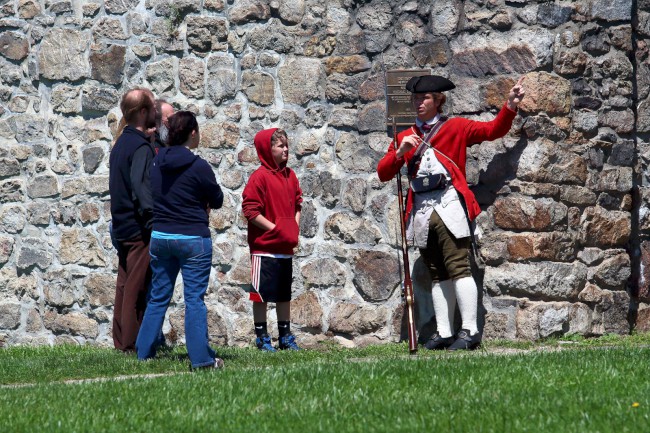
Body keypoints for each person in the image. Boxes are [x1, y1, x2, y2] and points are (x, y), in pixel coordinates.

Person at [376, 75, 525, 351]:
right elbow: (383, 173)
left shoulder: (456, 127)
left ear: (438, 101)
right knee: (436, 272)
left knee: (458, 266)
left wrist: (510, 105)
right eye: (416, 99)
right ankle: (444, 331)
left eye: (425, 98)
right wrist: (400, 153)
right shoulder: (404, 136)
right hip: (421, 211)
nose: (419, 103)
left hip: (449, 205)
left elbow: (493, 130)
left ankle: (469, 330)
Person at [136, 111, 225, 369]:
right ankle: (201, 359)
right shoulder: (199, 166)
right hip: (192, 237)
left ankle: (143, 353)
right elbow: (217, 199)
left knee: (158, 296)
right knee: (194, 299)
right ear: (193, 133)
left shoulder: (156, 162)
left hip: (161, 236)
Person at [242, 128, 302, 352]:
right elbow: (250, 210)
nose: (286, 149)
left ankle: (285, 336)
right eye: (280, 146)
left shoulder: (291, 175)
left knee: (284, 294)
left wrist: (293, 226)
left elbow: (298, 203)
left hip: (284, 248)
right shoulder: (259, 177)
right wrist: (275, 229)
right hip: (264, 248)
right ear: (268, 150)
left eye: (287, 145)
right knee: (261, 295)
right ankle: (262, 337)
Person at [109, 88, 157, 352]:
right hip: (138, 230)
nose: (154, 113)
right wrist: (152, 223)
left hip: (121, 226)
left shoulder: (120, 145)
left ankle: (120, 342)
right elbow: (142, 190)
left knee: (125, 285)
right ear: (142, 112)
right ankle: (129, 346)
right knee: (135, 290)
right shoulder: (139, 147)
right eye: (151, 108)